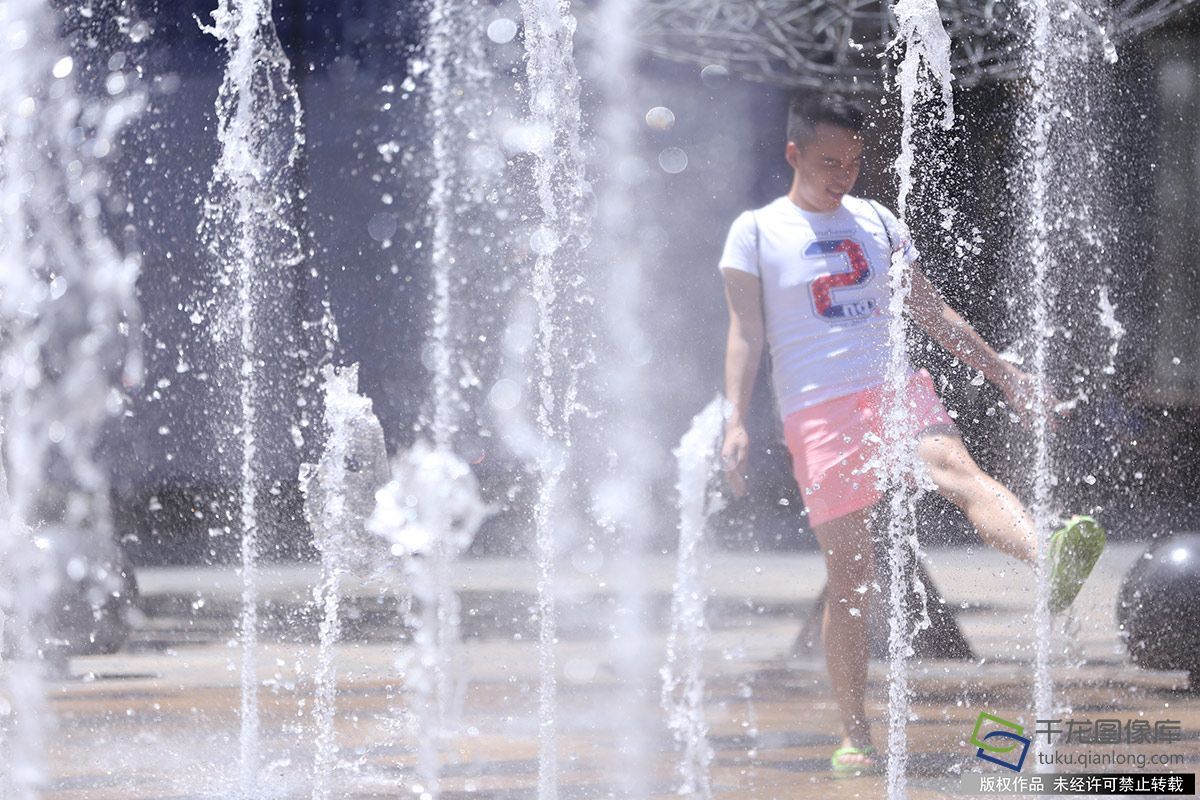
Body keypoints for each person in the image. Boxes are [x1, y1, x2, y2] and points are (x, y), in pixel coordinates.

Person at [717, 93, 1106, 777]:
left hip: (893, 389)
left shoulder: (877, 221)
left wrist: (1004, 375)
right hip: (817, 411)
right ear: (794, 154)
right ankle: (856, 734)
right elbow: (746, 332)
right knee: (852, 579)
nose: (845, 175)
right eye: (830, 162)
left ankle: (1051, 556)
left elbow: (933, 313)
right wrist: (734, 419)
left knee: (960, 473)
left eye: (855, 161)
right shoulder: (755, 231)